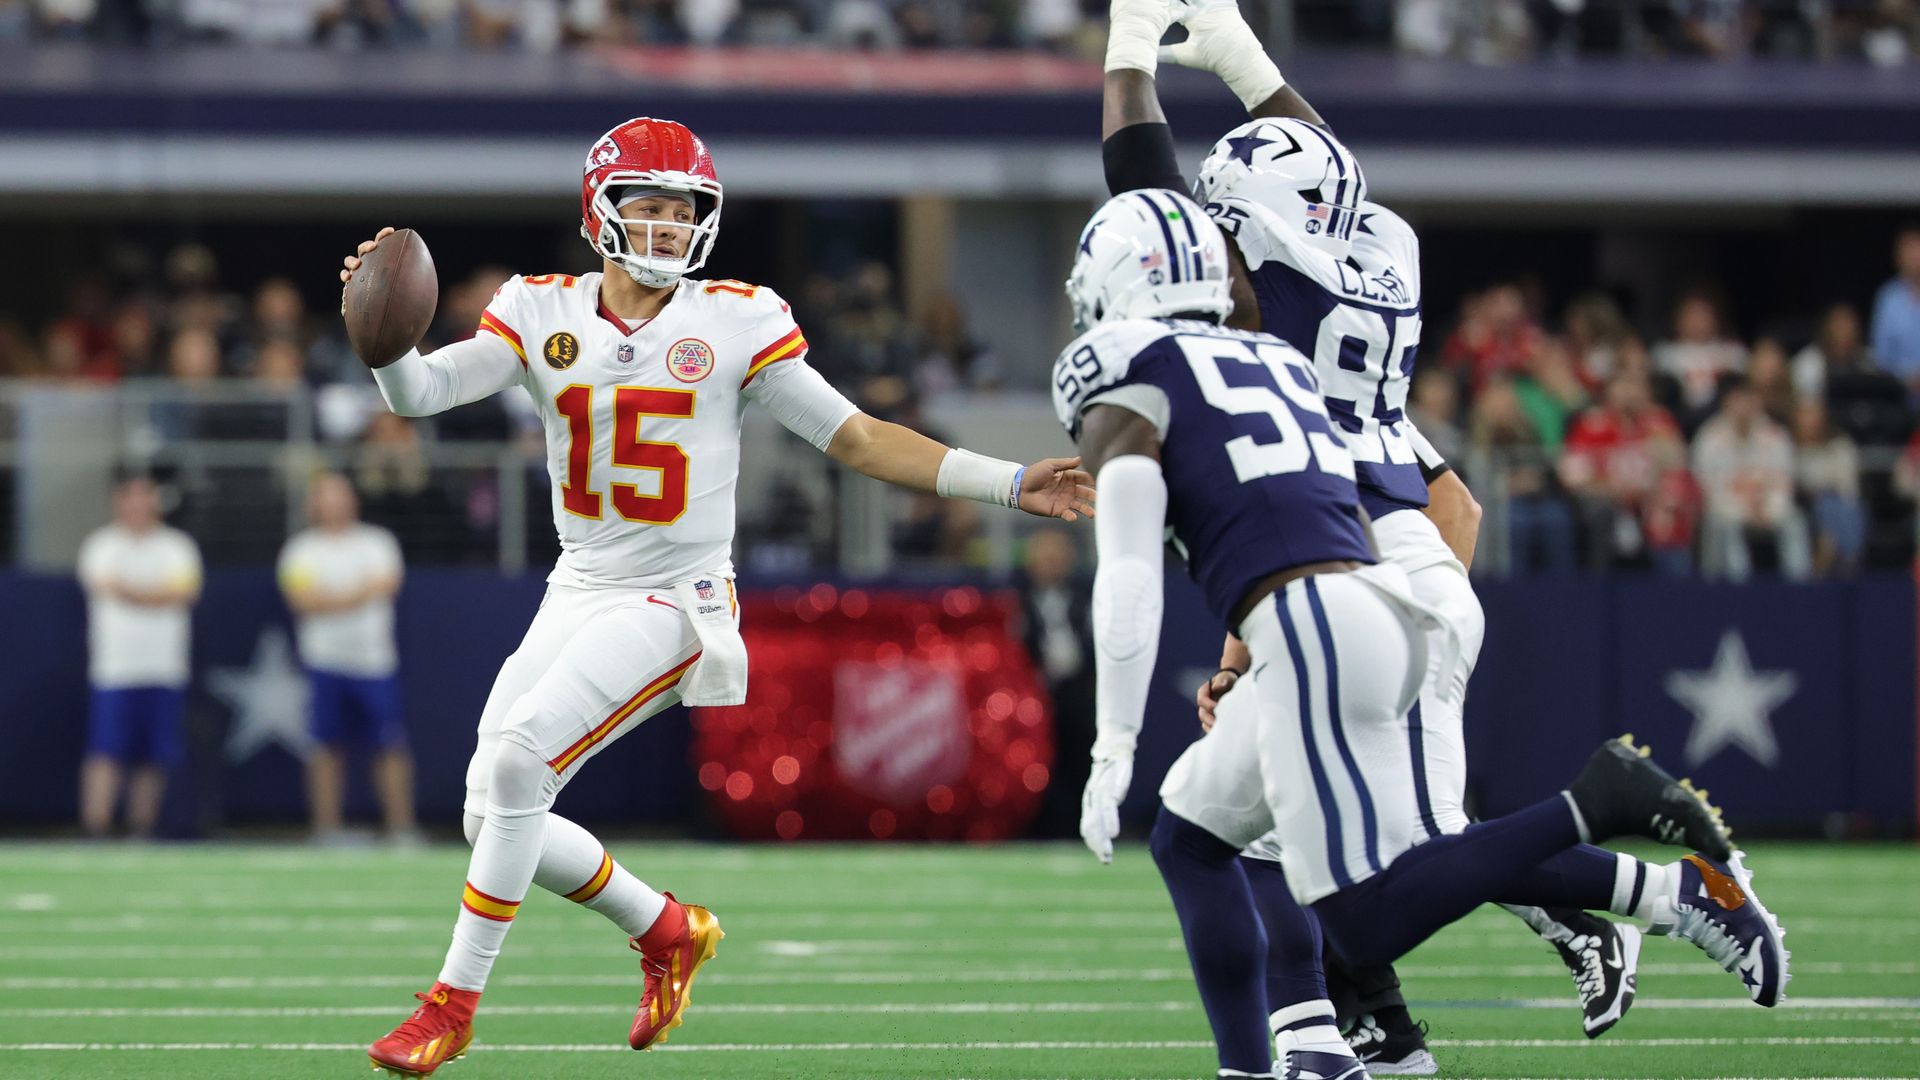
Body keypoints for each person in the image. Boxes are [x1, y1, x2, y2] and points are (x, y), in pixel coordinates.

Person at [341, 116, 1096, 1076]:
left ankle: (451, 1005)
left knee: (526, 765)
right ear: (597, 212)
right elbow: (419, 396)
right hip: (579, 583)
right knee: (488, 815)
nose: (664, 227)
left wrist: (1009, 480)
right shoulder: (540, 308)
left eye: (681, 209)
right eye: (645, 206)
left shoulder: (736, 318)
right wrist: (383, 339)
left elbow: (857, 437)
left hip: (678, 597)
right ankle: (665, 928)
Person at [1054, 185, 1781, 1080]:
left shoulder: (1126, 368)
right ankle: (1305, 1054)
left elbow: (1128, 577)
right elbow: (1306, 507)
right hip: (1359, 606)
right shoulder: (1277, 363)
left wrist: (1113, 742)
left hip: (1321, 627)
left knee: (1370, 905)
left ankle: (1602, 804)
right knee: (1194, 833)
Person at [1097, 1, 1634, 1064]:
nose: (1216, 220)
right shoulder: (1383, 248)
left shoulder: (1267, 299)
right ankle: (1365, 1032)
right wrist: (1243, 62)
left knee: (1399, 855)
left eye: (1231, 206)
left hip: (1358, 553)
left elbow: (1143, 187)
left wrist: (1127, 42)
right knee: (1255, 821)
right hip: (1363, 505)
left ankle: (1621, 891)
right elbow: (1325, 169)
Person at [277, 471, 416, 842]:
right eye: (326, 496)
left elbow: (386, 587)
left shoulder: (378, 543)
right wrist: (358, 594)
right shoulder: (301, 550)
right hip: (324, 663)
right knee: (325, 748)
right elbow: (302, 601)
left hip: (374, 664)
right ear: (314, 505)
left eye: (341, 495)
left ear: (353, 500)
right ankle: (327, 829)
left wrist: (330, 598)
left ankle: (401, 828)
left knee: (390, 745)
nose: (335, 504)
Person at [75, 476, 202, 839]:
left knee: (155, 754)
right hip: (115, 669)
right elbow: (106, 586)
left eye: (144, 497)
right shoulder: (101, 545)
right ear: (118, 502)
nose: (137, 505)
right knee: (106, 749)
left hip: (164, 667)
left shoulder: (177, 547)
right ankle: (96, 826)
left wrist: (131, 591)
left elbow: (184, 593)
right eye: (129, 497)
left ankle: (141, 826)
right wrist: (157, 594)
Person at [1693, 378, 1812, 581]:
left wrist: (1766, 508)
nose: (1744, 408)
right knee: (1724, 524)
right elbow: (1706, 488)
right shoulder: (1710, 437)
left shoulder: (1776, 436)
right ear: (1726, 404)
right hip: (1727, 510)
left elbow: (1785, 482)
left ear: (1758, 403)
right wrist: (1745, 510)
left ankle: (1798, 586)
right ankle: (1739, 586)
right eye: (1738, 401)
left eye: (1749, 401)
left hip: (1769, 508)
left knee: (1795, 522)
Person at [1018, 528, 1095, 838]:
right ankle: (1037, 830)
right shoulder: (1016, 598)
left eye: (1057, 555)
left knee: (1081, 755)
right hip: (1030, 694)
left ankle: (1084, 826)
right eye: (1044, 555)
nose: (1051, 562)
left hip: (1076, 690)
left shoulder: (1087, 597)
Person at [1870, 222, 1920, 399]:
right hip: (1899, 395)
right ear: (1898, 256)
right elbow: (1881, 356)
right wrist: (1907, 378)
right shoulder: (1888, 298)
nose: (1915, 256)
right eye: (1909, 249)